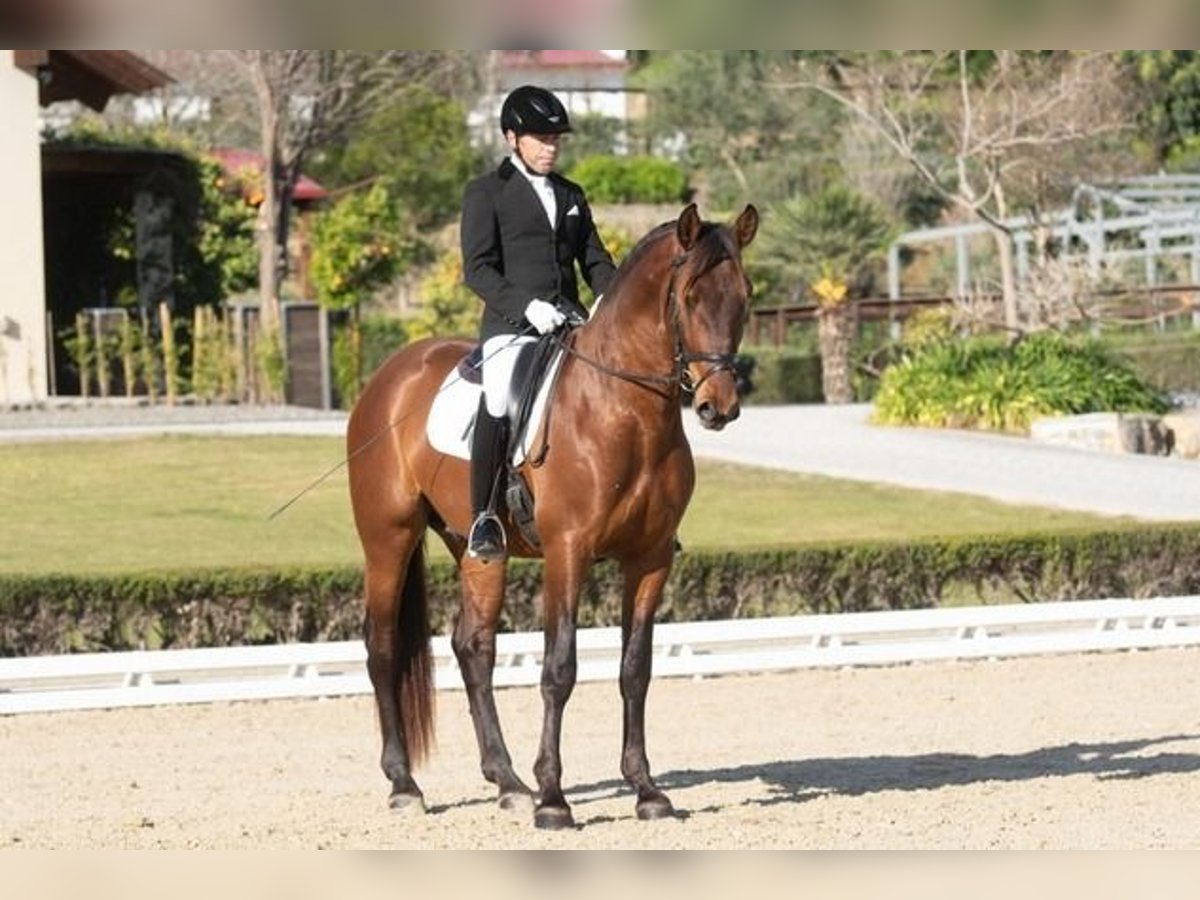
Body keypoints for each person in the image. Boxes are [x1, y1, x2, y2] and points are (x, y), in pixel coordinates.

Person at [459, 84, 617, 561]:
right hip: (513, 326)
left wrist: (612, 298)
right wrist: (528, 307)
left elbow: (595, 261)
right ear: (512, 138)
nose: (550, 148)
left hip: (569, 323)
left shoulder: (571, 194)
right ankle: (484, 516)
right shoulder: (486, 192)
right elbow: (478, 269)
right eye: (540, 139)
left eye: (555, 140)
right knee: (500, 393)